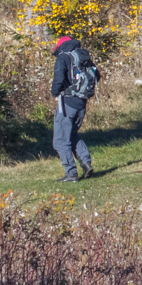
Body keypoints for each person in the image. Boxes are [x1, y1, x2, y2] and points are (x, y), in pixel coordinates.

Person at [50, 36, 97, 183]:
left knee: (60, 141)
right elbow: (97, 76)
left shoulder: (63, 57)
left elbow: (58, 78)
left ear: (60, 46)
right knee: (71, 135)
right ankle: (86, 162)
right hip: (82, 102)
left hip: (67, 102)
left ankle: (71, 174)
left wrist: (55, 94)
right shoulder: (83, 56)